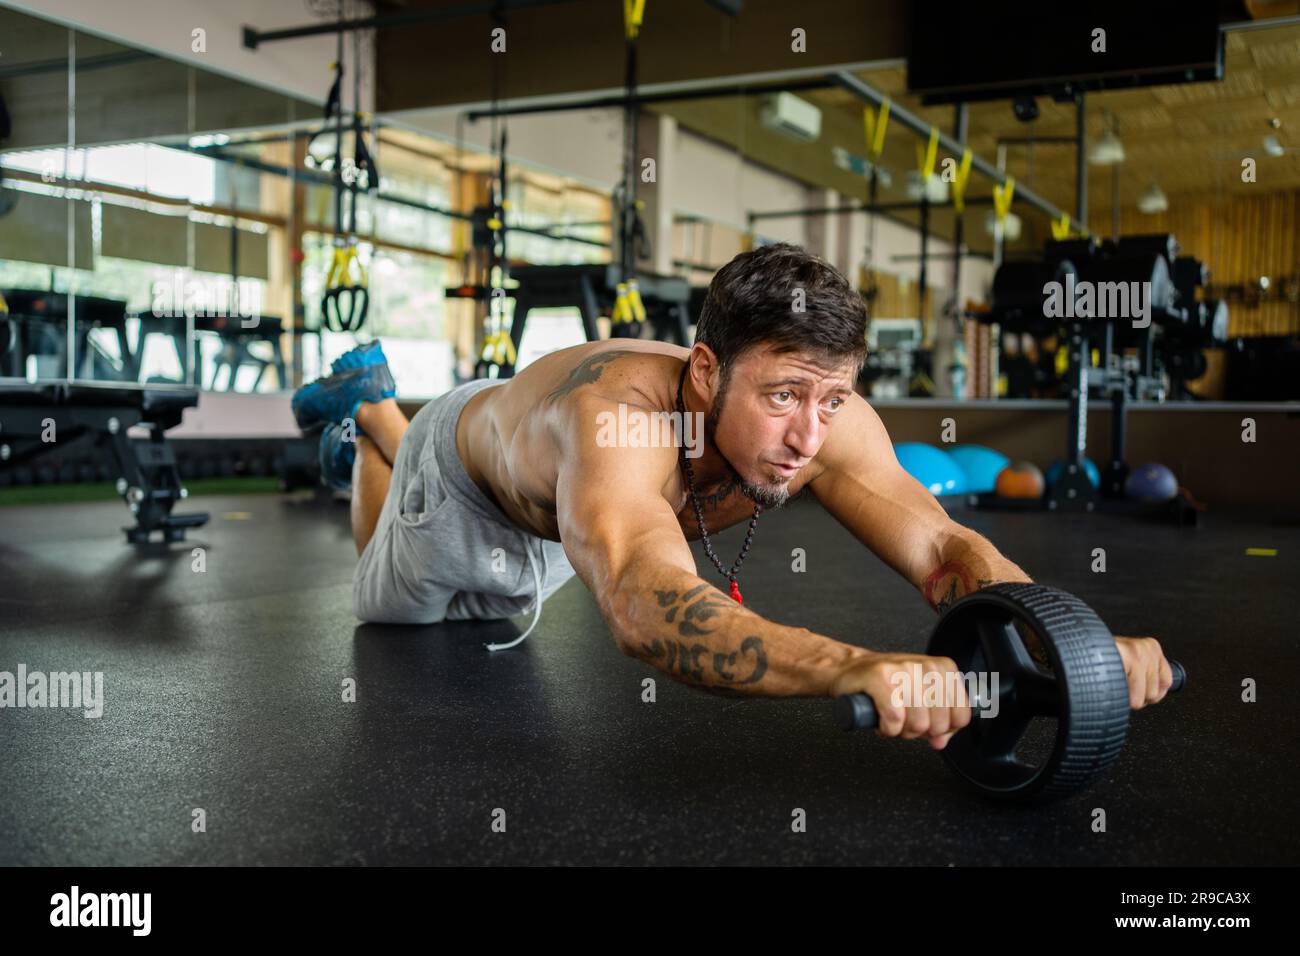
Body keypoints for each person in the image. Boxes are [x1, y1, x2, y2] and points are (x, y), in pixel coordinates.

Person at [292, 243, 1175, 750]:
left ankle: (372, 419)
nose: (809, 437)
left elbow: (942, 546)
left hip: (569, 509)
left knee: (500, 606)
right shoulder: (622, 422)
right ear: (706, 372)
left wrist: (1067, 644)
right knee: (397, 604)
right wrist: (852, 667)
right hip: (462, 479)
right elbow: (642, 596)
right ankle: (370, 417)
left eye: (831, 399)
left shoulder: (824, 421)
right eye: (785, 395)